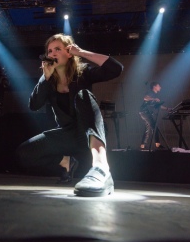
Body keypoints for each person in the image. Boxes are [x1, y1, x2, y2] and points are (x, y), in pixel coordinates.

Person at [16, 34, 123, 197]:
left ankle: (101, 167)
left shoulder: (83, 72)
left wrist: (81, 52)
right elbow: (34, 105)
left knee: (83, 95)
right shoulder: (49, 82)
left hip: (89, 131)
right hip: (67, 135)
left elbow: (116, 69)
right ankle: (66, 161)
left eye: (58, 49)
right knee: (24, 152)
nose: (52, 54)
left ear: (69, 53)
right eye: (50, 51)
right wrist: (45, 78)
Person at [138, 81, 169, 151]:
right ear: (154, 86)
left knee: (148, 128)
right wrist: (154, 99)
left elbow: (158, 106)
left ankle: (143, 145)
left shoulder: (154, 95)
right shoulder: (151, 93)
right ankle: (157, 144)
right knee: (154, 127)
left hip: (145, 112)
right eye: (159, 85)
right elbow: (145, 98)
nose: (160, 87)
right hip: (144, 112)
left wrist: (167, 109)